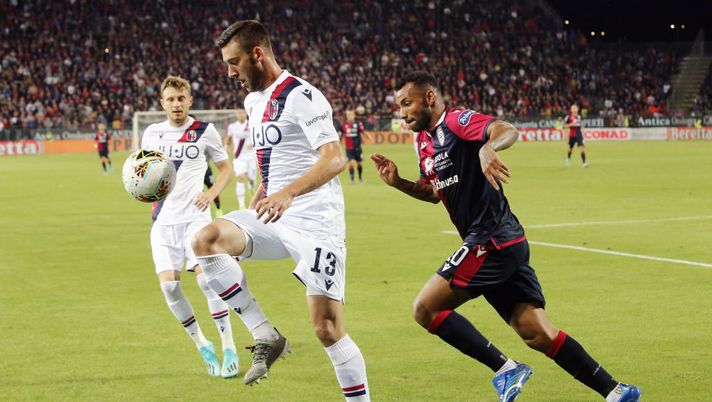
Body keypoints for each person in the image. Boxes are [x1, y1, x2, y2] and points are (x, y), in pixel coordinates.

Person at [370, 71, 640, 402]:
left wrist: (488, 147)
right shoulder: (423, 142)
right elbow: (433, 192)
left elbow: (505, 129)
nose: (402, 112)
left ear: (429, 98)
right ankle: (616, 392)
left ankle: (506, 369)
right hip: (498, 243)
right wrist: (400, 183)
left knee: (425, 309)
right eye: (399, 106)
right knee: (537, 333)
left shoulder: (456, 121)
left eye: (407, 103)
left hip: (491, 239)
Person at [191, 20, 370, 400]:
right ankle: (264, 334)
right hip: (274, 214)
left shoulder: (302, 95)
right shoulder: (253, 101)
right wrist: (265, 188)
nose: (229, 72)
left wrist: (286, 193)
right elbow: (280, 155)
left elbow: (335, 158)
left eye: (234, 62)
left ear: (258, 53)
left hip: (316, 221)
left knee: (326, 328)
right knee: (207, 240)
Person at [141, 75, 238, 379]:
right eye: (170, 99)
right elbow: (145, 174)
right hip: (163, 221)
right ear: (162, 103)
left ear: (189, 100)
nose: (176, 104)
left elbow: (225, 168)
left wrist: (211, 194)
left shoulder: (204, 131)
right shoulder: (152, 134)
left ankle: (229, 344)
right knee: (170, 286)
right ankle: (202, 344)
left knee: (207, 282)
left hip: (196, 219)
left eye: (181, 98)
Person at [224, 108, 257, 209]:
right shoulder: (232, 127)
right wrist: (226, 146)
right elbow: (228, 138)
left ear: (245, 113)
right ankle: (241, 205)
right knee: (240, 177)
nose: (241, 114)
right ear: (236, 114)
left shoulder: (252, 124)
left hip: (251, 157)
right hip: (239, 157)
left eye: (242, 112)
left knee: (251, 179)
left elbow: (258, 137)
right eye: (238, 112)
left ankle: (252, 189)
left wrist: (254, 144)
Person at [341, 109, 367, 183]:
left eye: (351, 115)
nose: (350, 116)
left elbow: (363, 132)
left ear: (354, 116)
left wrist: (368, 137)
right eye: (348, 115)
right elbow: (341, 135)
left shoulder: (358, 124)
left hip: (358, 148)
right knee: (351, 163)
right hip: (349, 149)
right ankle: (352, 179)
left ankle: (360, 178)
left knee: (360, 164)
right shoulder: (344, 125)